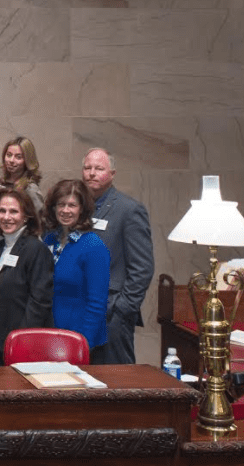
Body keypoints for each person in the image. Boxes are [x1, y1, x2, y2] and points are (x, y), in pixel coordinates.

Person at [82, 148, 154, 365]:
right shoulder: (77, 207)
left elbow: (142, 267)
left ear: (112, 173)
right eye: (87, 168)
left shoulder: (129, 210)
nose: (92, 173)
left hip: (111, 314)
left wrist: (122, 309)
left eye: (99, 168)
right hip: (80, 311)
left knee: (117, 381)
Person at [43, 179, 110, 362]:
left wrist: (82, 343)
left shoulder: (93, 246)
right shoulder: (50, 239)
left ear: (82, 209)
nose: (65, 210)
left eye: (72, 205)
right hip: (50, 336)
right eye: (61, 204)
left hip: (79, 339)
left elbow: (97, 304)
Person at [0, 189, 53, 366]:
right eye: (2, 211)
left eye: (14, 211)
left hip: (24, 340)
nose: (6, 217)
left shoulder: (36, 249)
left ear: (26, 216)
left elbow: (40, 302)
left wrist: (22, 339)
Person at [0, 136, 44, 212]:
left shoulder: (30, 189)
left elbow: (40, 220)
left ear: (27, 161)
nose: (11, 160)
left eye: (18, 157)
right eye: (9, 155)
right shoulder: (0, 184)